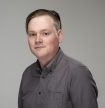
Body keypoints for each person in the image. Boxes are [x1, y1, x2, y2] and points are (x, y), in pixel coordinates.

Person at [18, 9, 98, 108]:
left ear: (59, 36)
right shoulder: (27, 74)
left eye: (45, 33)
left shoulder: (78, 73)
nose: (38, 40)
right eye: (33, 34)